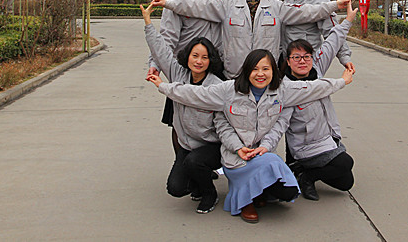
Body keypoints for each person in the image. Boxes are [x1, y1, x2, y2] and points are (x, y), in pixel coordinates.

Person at [146, 49, 355, 223]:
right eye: (255, 69)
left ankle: (260, 191)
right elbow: (194, 94)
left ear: (273, 71)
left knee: (288, 193)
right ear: (246, 71)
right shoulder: (228, 90)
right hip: (236, 156)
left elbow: (313, 87)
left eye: (266, 69)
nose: (260, 74)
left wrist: (342, 81)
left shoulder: (282, 90)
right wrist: (162, 86)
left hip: (263, 154)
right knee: (252, 179)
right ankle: (246, 199)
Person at [147, 0, 259, 153]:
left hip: (215, 67)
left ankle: (210, 162)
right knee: (181, 115)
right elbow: (167, 38)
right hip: (188, 68)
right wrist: (154, 64)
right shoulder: (177, 2)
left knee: (218, 116)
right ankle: (182, 161)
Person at [150, 0, 351, 79]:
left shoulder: (277, 7)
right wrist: (169, 3)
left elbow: (307, 11)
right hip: (234, 76)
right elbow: (196, 6)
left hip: (266, 75)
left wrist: (334, 5)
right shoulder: (227, 5)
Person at [140, 4, 225, 214]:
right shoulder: (179, 74)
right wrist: (148, 23)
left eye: (204, 57)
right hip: (187, 145)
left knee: (195, 162)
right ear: (187, 56)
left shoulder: (216, 85)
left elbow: (192, 95)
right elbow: (161, 51)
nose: (199, 61)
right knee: (176, 188)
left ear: (211, 60)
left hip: (212, 146)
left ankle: (209, 193)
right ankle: (197, 182)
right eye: (195, 56)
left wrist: (164, 87)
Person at [279, 0, 357, 201]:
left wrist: (348, 20)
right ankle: (306, 175)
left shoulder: (317, 69)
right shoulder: (286, 87)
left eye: (306, 56)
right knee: (345, 163)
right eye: (296, 58)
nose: (302, 61)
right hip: (306, 147)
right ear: (288, 61)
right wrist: (341, 81)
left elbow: (332, 42)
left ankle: (305, 172)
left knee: (346, 182)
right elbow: (281, 124)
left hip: (327, 141)